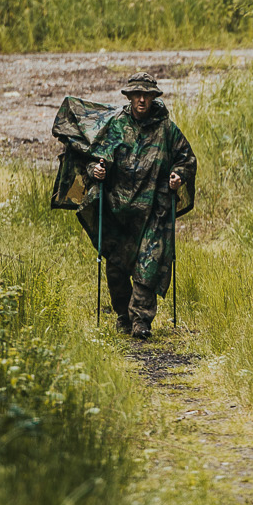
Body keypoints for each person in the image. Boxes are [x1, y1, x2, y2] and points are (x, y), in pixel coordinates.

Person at [84, 73, 196, 339]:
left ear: (154, 97)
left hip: (155, 212)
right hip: (118, 209)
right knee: (116, 267)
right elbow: (95, 159)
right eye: (137, 95)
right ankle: (124, 316)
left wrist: (178, 175)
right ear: (130, 97)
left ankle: (141, 322)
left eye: (146, 95)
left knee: (149, 266)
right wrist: (95, 171)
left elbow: (187, 159)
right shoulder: (116, 126)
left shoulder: (167, 129)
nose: (142, 99)